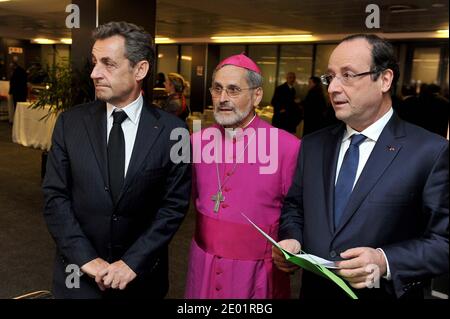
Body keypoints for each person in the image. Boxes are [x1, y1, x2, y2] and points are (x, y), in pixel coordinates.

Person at [273, 34, 448, 299]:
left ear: (385, 80)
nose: (333, 88)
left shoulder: (430, 152)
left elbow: (443, 242)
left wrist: (384, 260)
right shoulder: (312, 145)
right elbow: (295, 207)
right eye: (330, 77)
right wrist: (292, 239)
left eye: (348, 75)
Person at [42, 21, 191, 299]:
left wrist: (133, 262)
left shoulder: (174, 131)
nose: (95, 73)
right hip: (78, 280)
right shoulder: (70, 124)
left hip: (142, 280)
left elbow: (173, 207)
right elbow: (55, 198)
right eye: (95, 62)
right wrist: (86, 259)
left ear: (140, 70)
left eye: (108, 64)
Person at [185, 53, 301, 299]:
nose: (223, 99)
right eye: (217, 89)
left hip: (258, 273)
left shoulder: (287, 147)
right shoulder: (196, 142)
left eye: (233, 90)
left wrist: (294, 245)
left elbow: (298, 211)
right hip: (203, 265)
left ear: (256, 95)